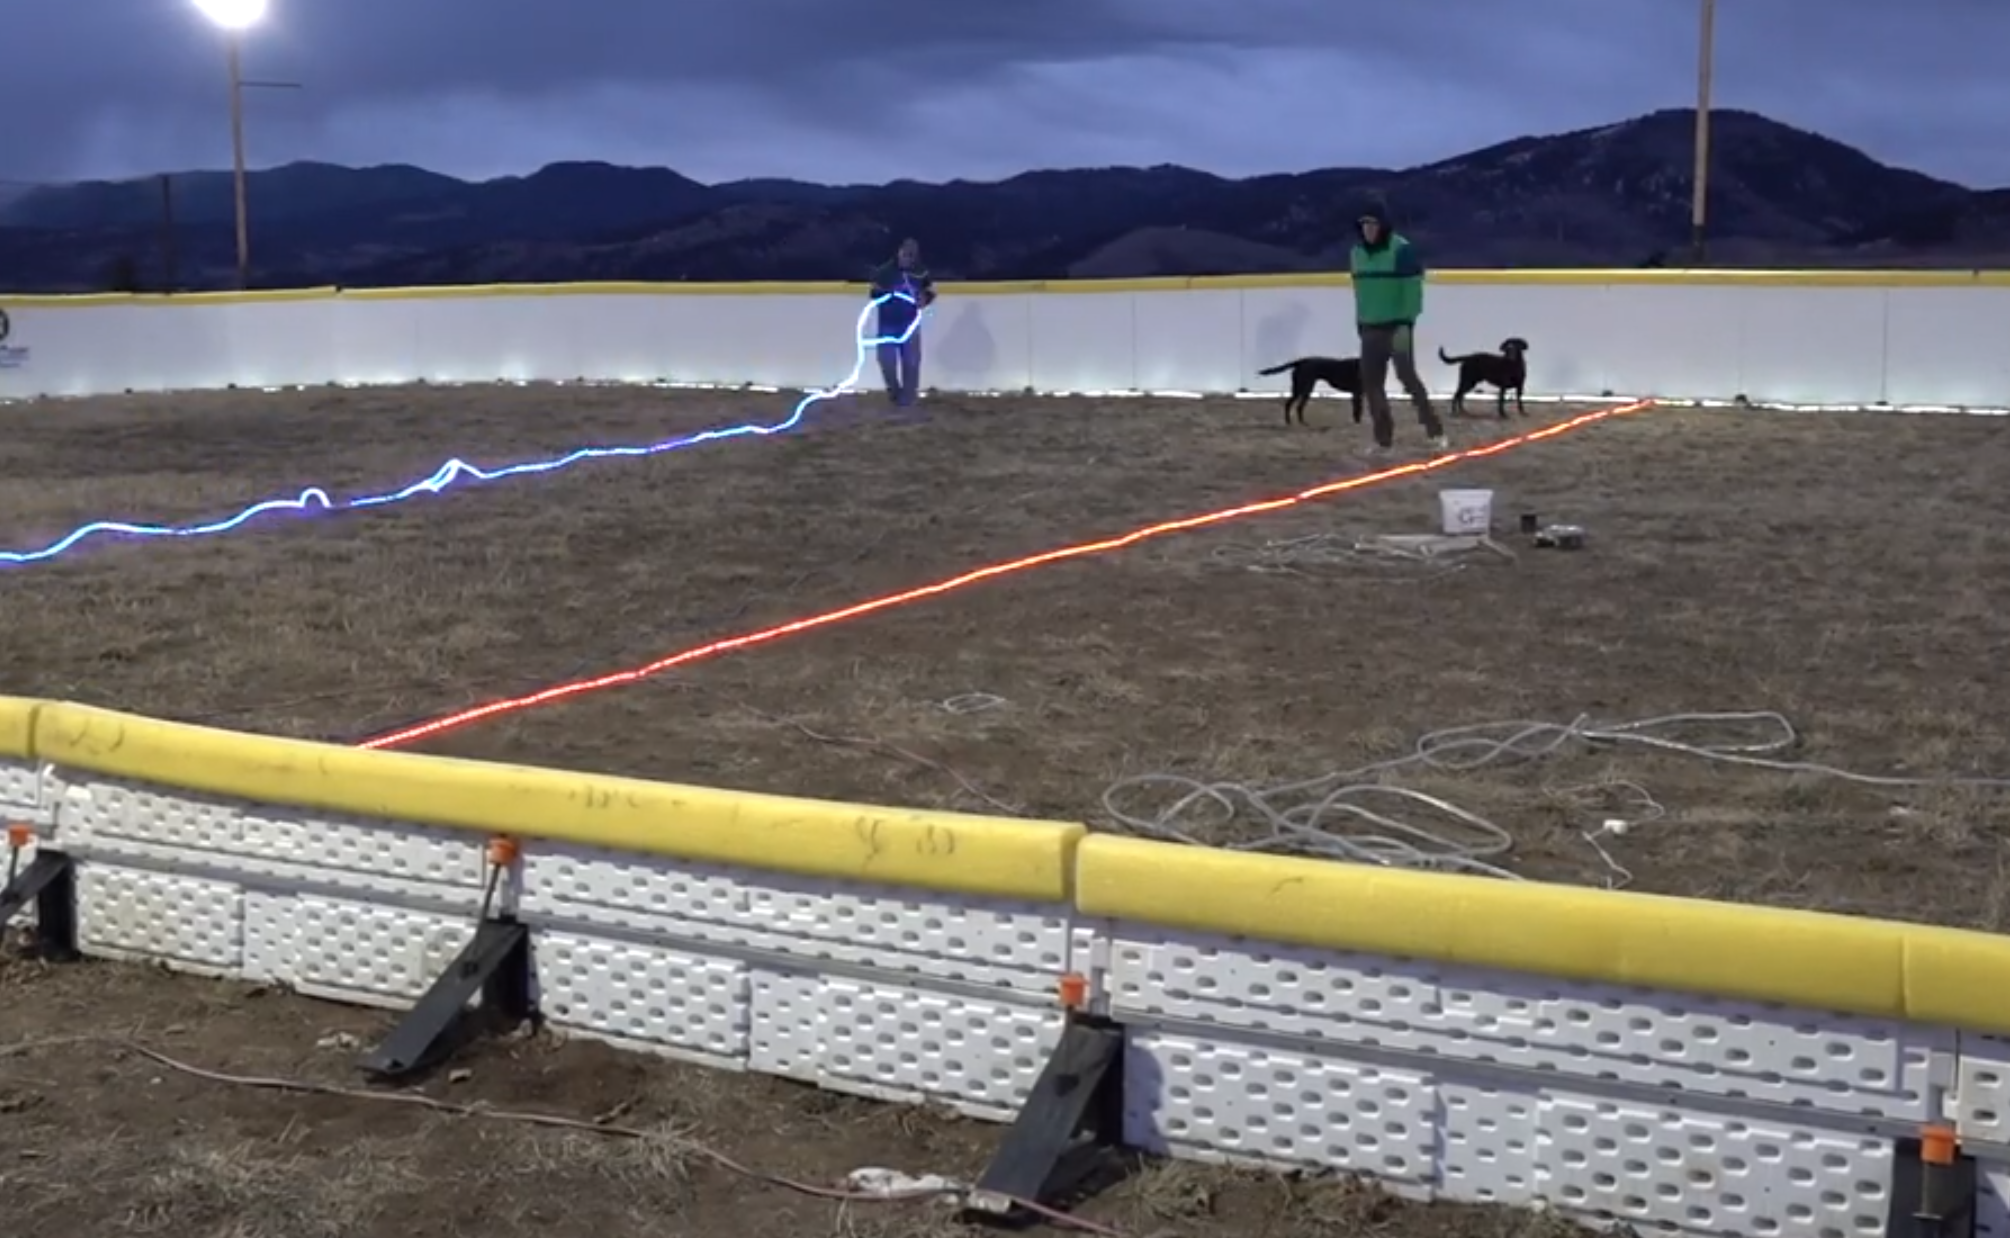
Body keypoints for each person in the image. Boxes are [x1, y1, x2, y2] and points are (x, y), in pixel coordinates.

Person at [1350, 205, 1447, 454]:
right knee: (1371, 383)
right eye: (1364, 224)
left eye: (1373, 224)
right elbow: (1360, 292)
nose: (1368, 229)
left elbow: (1412, 289)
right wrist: (1360, 321)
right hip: (1370, 327)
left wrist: (1406, 322)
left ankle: (1434, 430)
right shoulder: (1357, 253)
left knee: (1407, 376)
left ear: (1383, 225)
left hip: (1397, 327)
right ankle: (1383, 439)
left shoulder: (1401, 249)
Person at [867, 238, 936, 406]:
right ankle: (894, 392)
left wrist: (924, 299)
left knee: (911, 362)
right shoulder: (884, 272)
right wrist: (888, 293)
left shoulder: (921, 272)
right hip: (888, 324)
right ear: (899, 252)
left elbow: (930, 291)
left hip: (910, 323)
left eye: (911, 256)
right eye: (906, 254)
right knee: (886, 360)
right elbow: (873, 293)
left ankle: (908, 398)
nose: (908, 259)